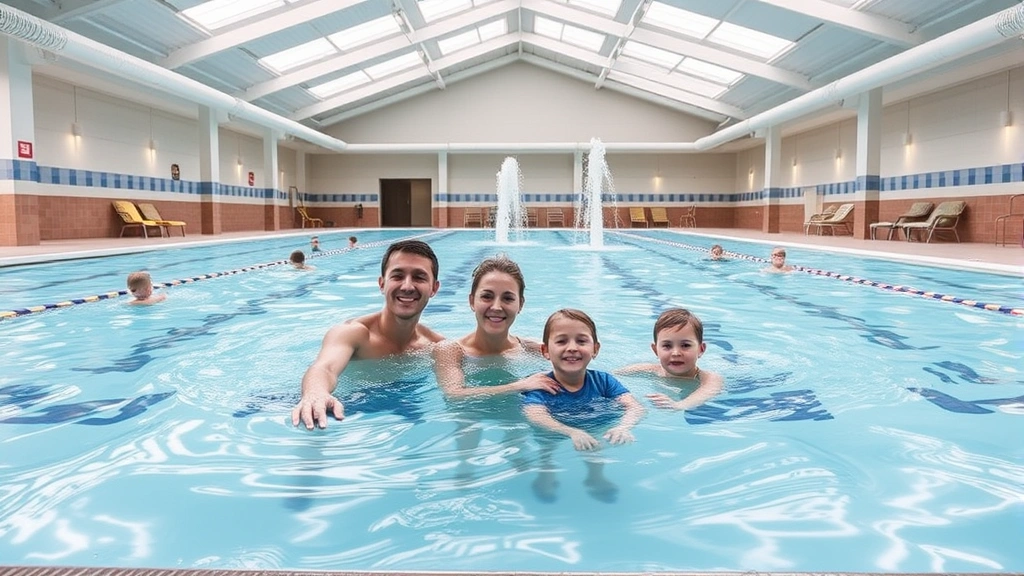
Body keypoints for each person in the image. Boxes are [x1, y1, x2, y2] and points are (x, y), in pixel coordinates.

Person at [291, 239, 444, 430]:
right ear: (382, 284)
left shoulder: (436, 345)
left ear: (434, 288)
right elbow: (325, 367)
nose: (407, 286)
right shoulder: (353, 333)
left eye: (419, 277)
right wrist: (315, 393)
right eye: (397, 276)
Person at [521, 308, 645, 502]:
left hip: (589, 423)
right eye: (562, 341)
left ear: (595, 349)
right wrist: (571, 432)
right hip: (553, 428)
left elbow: (635, 407)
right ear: (545, 351)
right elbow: (534, 414)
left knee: (595, 445)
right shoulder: (541, 385)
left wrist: (623, 427)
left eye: (581, 341)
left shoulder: (603, 381)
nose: (572, 348)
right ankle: (546, 472)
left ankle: (595, 476)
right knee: (546, 446)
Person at [433, 255, 559, 399]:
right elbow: (454, 395)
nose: (496, 307)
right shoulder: (451, 351)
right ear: (472, 301)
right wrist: (520, 385)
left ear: (520, 304)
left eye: (507, 298)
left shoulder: (534, 350)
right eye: (487, 296)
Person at [617, 308, 723, 411]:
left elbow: (707, 392)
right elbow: (613, 377)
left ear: (701, 349)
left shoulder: (709, 378)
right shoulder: (647, 370)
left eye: (685, 345)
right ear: (655, 350)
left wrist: (678, 405)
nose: (676, 353)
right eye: (667, 346)